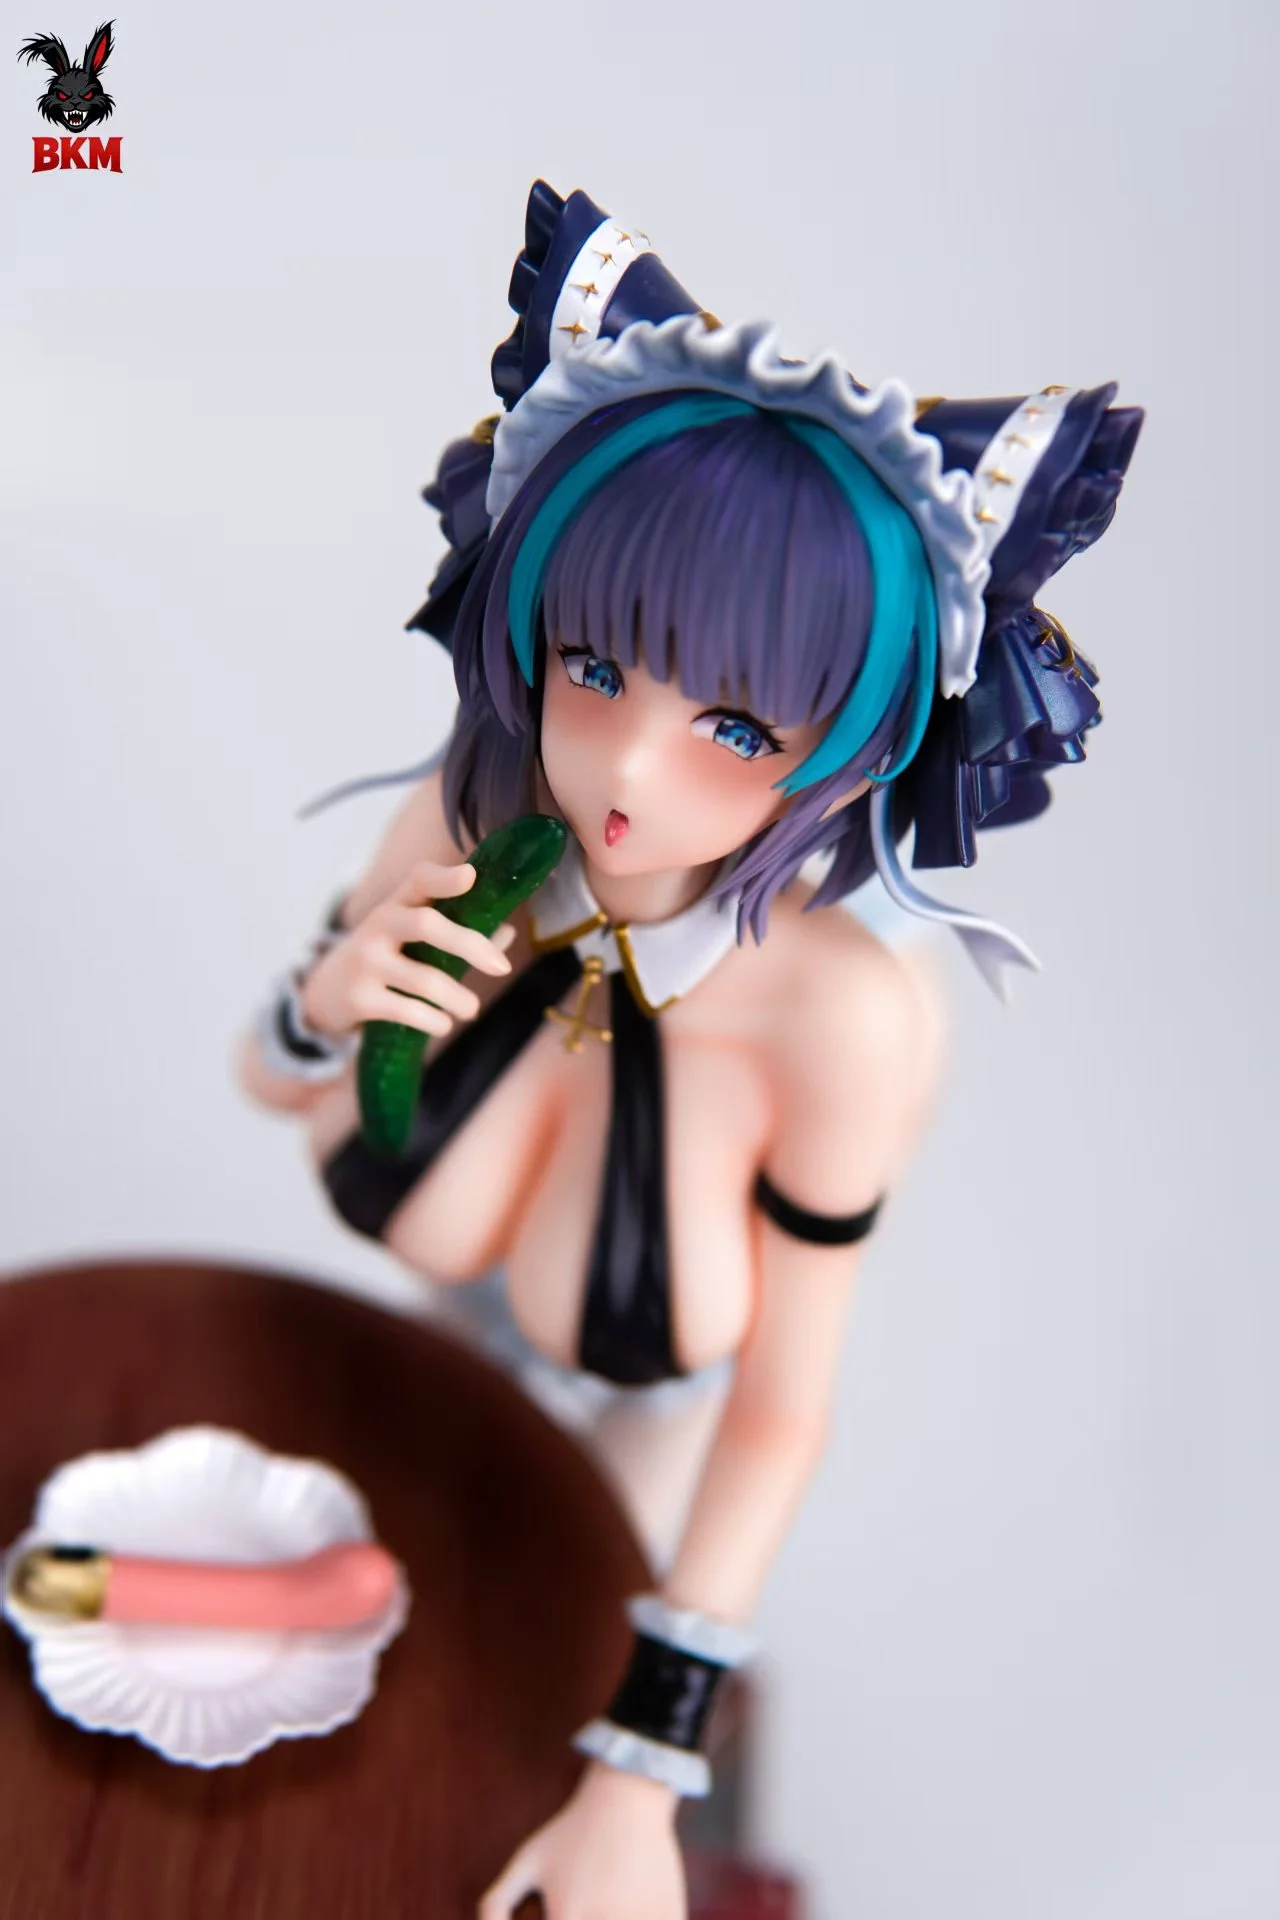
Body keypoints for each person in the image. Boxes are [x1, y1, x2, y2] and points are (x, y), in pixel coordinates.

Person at [241, 181, 1142, 1920]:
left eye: (734, 722)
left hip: (643, 1459)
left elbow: (783, 1410)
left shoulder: (838, 1018)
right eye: (597, 667)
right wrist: (324, 1001)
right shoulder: (470, 822)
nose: (630, 770)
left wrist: (645, 1768)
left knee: (506, 1781)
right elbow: (274, 1086)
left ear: (848, 748)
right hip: (418, 1390)